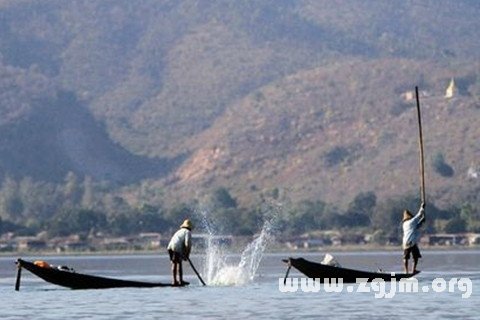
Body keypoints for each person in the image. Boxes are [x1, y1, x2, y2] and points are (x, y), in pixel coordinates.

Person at [167, 219, 193, 286]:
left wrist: (185, 254)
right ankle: (179, 281)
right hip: (176, 247)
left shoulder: (179, 231)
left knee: (174, 263)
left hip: (170, 247)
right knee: (178, 263)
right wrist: (187, 254)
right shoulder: (187, 232)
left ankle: (175, 280)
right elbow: (187, 244)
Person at [402, 202, 425, 274]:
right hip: (411, 242)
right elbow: (419, 214)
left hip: (406, 242)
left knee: (406, 257)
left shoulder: (404, 224)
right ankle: (413, 269)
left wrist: (421, 221)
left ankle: (406, 271)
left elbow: (416, 227)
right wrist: (422, 207)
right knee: (415, 257)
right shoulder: (411, 221)